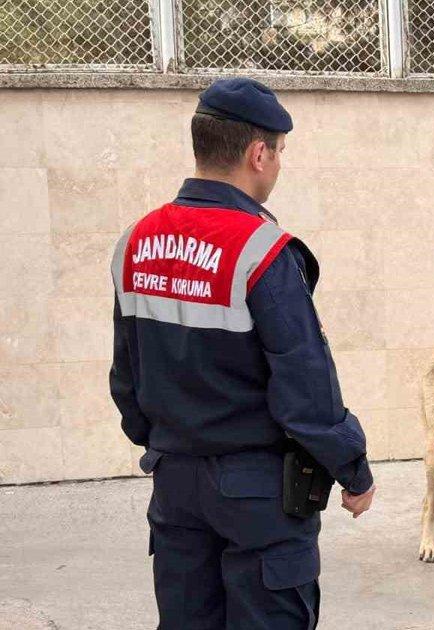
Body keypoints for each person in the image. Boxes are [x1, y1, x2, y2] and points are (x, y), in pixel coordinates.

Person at [109, 77, 376, 629]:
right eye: (279, 152)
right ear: (259, 153)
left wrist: (165, 442)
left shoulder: (135, 242)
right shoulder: (261, 249)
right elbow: (306, 387)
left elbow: (126, 375)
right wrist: (352, 469)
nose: (278, 164)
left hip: (175, 484)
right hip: (260, 492)